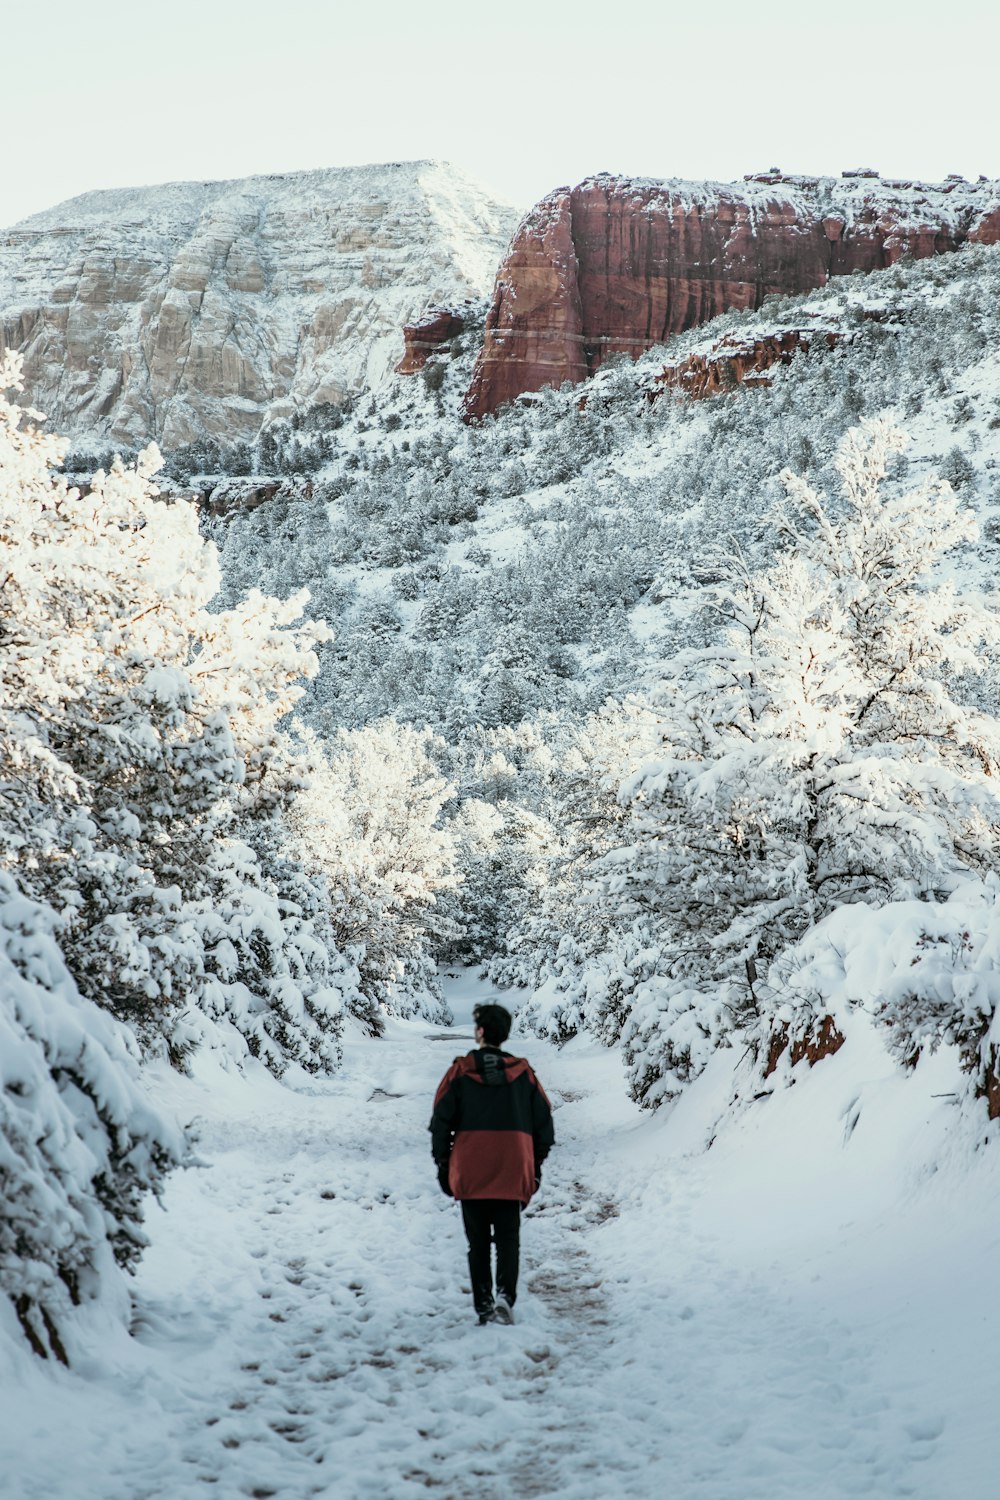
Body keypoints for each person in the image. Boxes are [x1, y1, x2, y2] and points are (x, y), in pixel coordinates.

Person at [429, 1002, 555, 1326]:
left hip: (470, 1168)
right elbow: (545, 1126)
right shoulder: (524, 1073)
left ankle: (483, 1302)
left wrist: (444, 1164)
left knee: (478, 1243)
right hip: (513, 1167)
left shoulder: (459, 1071)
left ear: (481, 1031)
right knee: (508, 1239)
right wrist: (534, 1166)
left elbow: (440, 1123)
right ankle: (505, 1297)